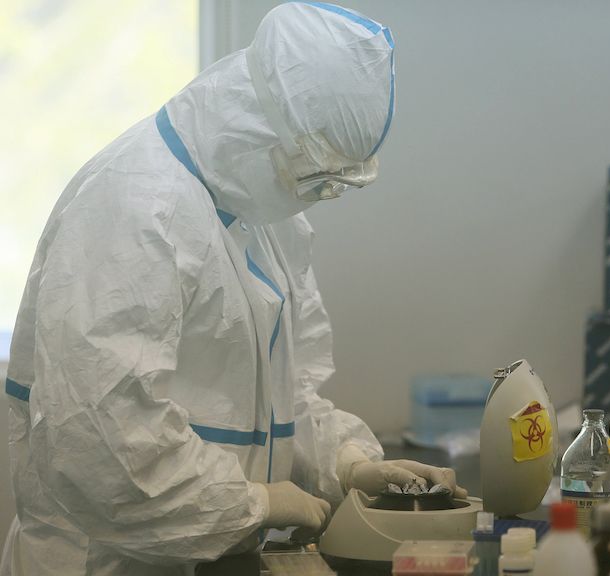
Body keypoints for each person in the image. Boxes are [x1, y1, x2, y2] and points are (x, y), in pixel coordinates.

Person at [0, 3, 466, 574]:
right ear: (254, 115)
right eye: (313, 169)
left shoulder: (260, 212)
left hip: (213, 552)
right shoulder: (135, 207)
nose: (316, 193)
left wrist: (345, 461)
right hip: (107, 561)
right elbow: (99, 437)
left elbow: (282, 397)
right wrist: (255, 502)